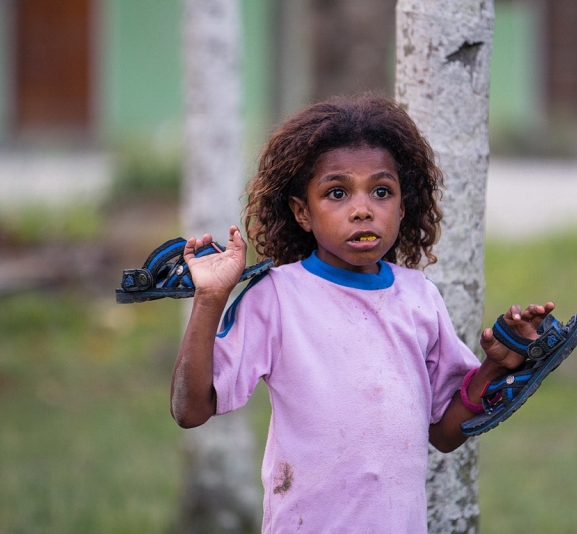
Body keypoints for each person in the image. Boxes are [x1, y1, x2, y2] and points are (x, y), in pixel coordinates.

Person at [169, 94, 556, 533]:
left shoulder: (419, 298)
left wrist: (495, 366)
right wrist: (209, 299)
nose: (362, 209)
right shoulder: (277, 298)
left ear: (402, 207)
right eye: (337, 192)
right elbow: (190, 409)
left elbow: (445, 434)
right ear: (302, 212)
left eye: (381, 191)